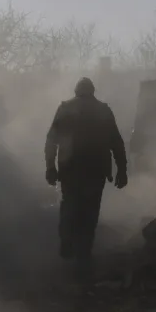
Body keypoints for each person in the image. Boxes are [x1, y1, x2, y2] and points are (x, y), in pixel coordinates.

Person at [44, 77, 127, 286]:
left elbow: (51, 141)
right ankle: (83, 258)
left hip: (70, 169)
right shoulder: (103, 110)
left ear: (76, 91)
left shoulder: (65, 109)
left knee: (69, 205)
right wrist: (122, 170)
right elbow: (116, 142)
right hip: (95, 171)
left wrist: (50, 167)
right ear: (92, 91)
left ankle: (67, 241)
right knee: (89, 213)